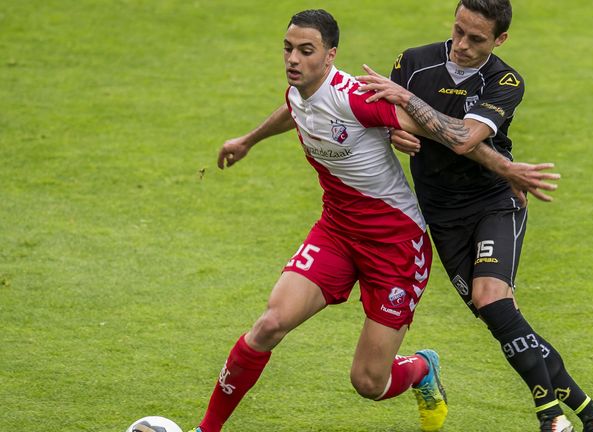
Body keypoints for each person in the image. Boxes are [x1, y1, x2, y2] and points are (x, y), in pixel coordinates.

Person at [189, 8, 556, 432]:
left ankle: (421, 368)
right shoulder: (300, 92)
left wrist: (504, 168)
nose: (293, 59)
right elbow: (295, 111)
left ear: (330, 56)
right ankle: (206, 429)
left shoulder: (356, 98)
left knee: (368, 382)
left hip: (395, 245)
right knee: (270, 324)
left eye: (306, 51)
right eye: (288, 49)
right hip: (337, 233)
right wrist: (248, 140)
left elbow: (449, 135)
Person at [356, 1, 593, 431]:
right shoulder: (413, 62)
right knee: (501, 319)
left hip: (494, 201)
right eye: (458, 31)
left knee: (492, 297)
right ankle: (592, 413)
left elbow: (463, 138)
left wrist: (406, 104)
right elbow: (388, 122)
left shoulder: (505, 80)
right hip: (440, 213)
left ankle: (550, 417)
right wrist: (397, 131)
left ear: (500, 40)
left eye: (476, 39)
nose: (461, 45)